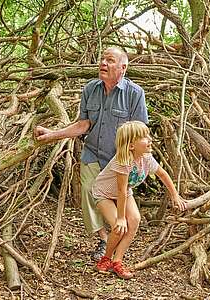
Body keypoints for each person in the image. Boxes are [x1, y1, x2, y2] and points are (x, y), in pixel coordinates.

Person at [33, 47, 148, 261]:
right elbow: (83, 124)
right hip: (93, 153)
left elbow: (140, 132)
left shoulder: (135, 93)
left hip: (119, 160)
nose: (103, 63)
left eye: (110, 60)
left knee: (120, 205)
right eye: (102, 59)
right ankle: (104, 241)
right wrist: (53, 135)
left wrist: (137, 161)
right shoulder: (90, 89)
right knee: (89, 192)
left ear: (123, 67)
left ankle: (117, 244)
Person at [92, 121, 187, 279]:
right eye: (143, 137)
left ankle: (117, 261)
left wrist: (174, 195)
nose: (149, 139)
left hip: (123, 192)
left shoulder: (146, 158)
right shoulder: (122, 161)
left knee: (135, 220)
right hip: (104, 193)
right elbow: (121, 191)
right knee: (118, 226)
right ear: (131, 146)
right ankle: (106, 259)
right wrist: (121, 218)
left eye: (148, 135)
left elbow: (162, 174)